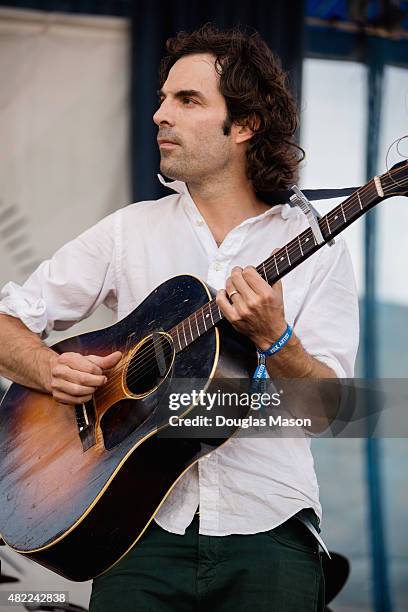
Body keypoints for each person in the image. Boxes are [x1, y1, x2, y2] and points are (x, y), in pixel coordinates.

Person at [0, 24, 359, 612]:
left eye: (187, 101)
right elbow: (7, 321)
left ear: (244, 126)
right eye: (163, 98)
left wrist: (277, 338)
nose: (159, 115)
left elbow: (331, 413)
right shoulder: (129, 230)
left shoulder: (315, 244)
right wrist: (46, 367)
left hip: (269, 531)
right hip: (137, 536)